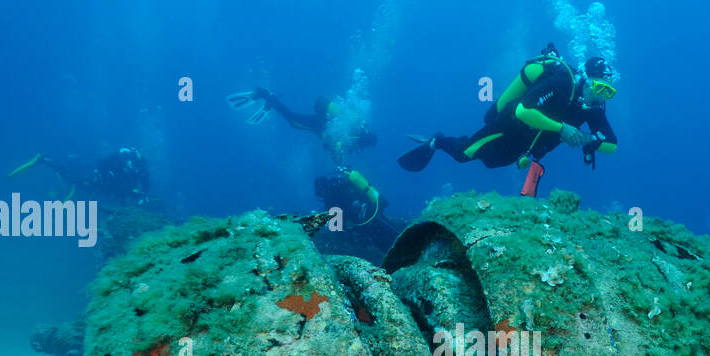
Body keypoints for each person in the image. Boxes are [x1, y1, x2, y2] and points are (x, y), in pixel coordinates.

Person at [398, 44, 619, 196]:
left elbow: (612, 144)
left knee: (492, 163)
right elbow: (524, 110)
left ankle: (458, 143)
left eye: (608, 92)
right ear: (586, 81)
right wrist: (562, 129)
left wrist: (588, 139)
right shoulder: (562, 82)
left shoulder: (594, 107)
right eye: (599, 88)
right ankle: (437, 141)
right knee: (464, 154)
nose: (601, 97)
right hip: (508, 125)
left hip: (527, 143)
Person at [226, 88, 377, 160]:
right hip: (322, 124)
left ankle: (271, 100)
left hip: (322, 123)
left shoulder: (358, 131)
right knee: (292, 120)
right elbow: (336, 143)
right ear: (368, 142)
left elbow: (334, 142)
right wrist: (336, 152)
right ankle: (263, 94)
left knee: (292, 121)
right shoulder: (357, 139)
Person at [9, 147, 151, 206]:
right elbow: (102, 165)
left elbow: (143, 183)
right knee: (74, 179)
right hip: (98, 178)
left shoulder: (137, 169)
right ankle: (44, 159)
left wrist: (143, 194)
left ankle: (48, 162)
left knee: (79, 183)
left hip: (102, 180)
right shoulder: (128, 167)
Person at [313, 167, 403, 258]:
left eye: (321, 193)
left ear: (323, 189)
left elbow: (344, 212)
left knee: (384, 239)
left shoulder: (335, 192)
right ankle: (402, 251)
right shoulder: (339, 187)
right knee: (388, 234)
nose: (322, 196)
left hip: (366, 219)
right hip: (369, 215)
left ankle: (401, 253)